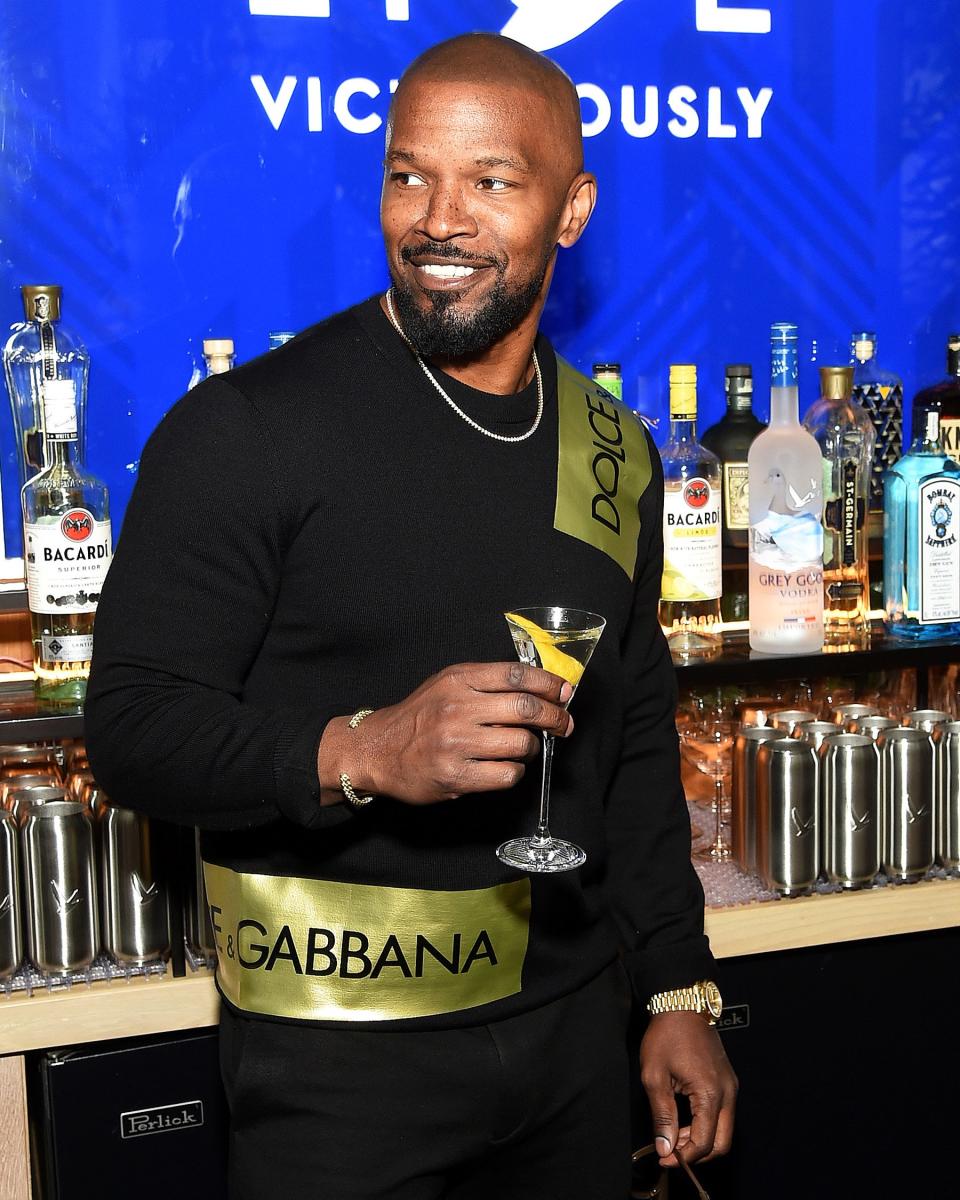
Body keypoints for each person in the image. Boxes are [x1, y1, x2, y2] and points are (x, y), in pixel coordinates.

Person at [86, 31, 737, 1200]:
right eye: (408, 174)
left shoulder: (612, 454)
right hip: (334, 1069)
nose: (438, 220)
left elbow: (634, 745)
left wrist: (676, 992)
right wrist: (362, 751)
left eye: (492, 181)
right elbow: (134, 728)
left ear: (572, 209)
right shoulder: (246, 433)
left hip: (573, 1050)